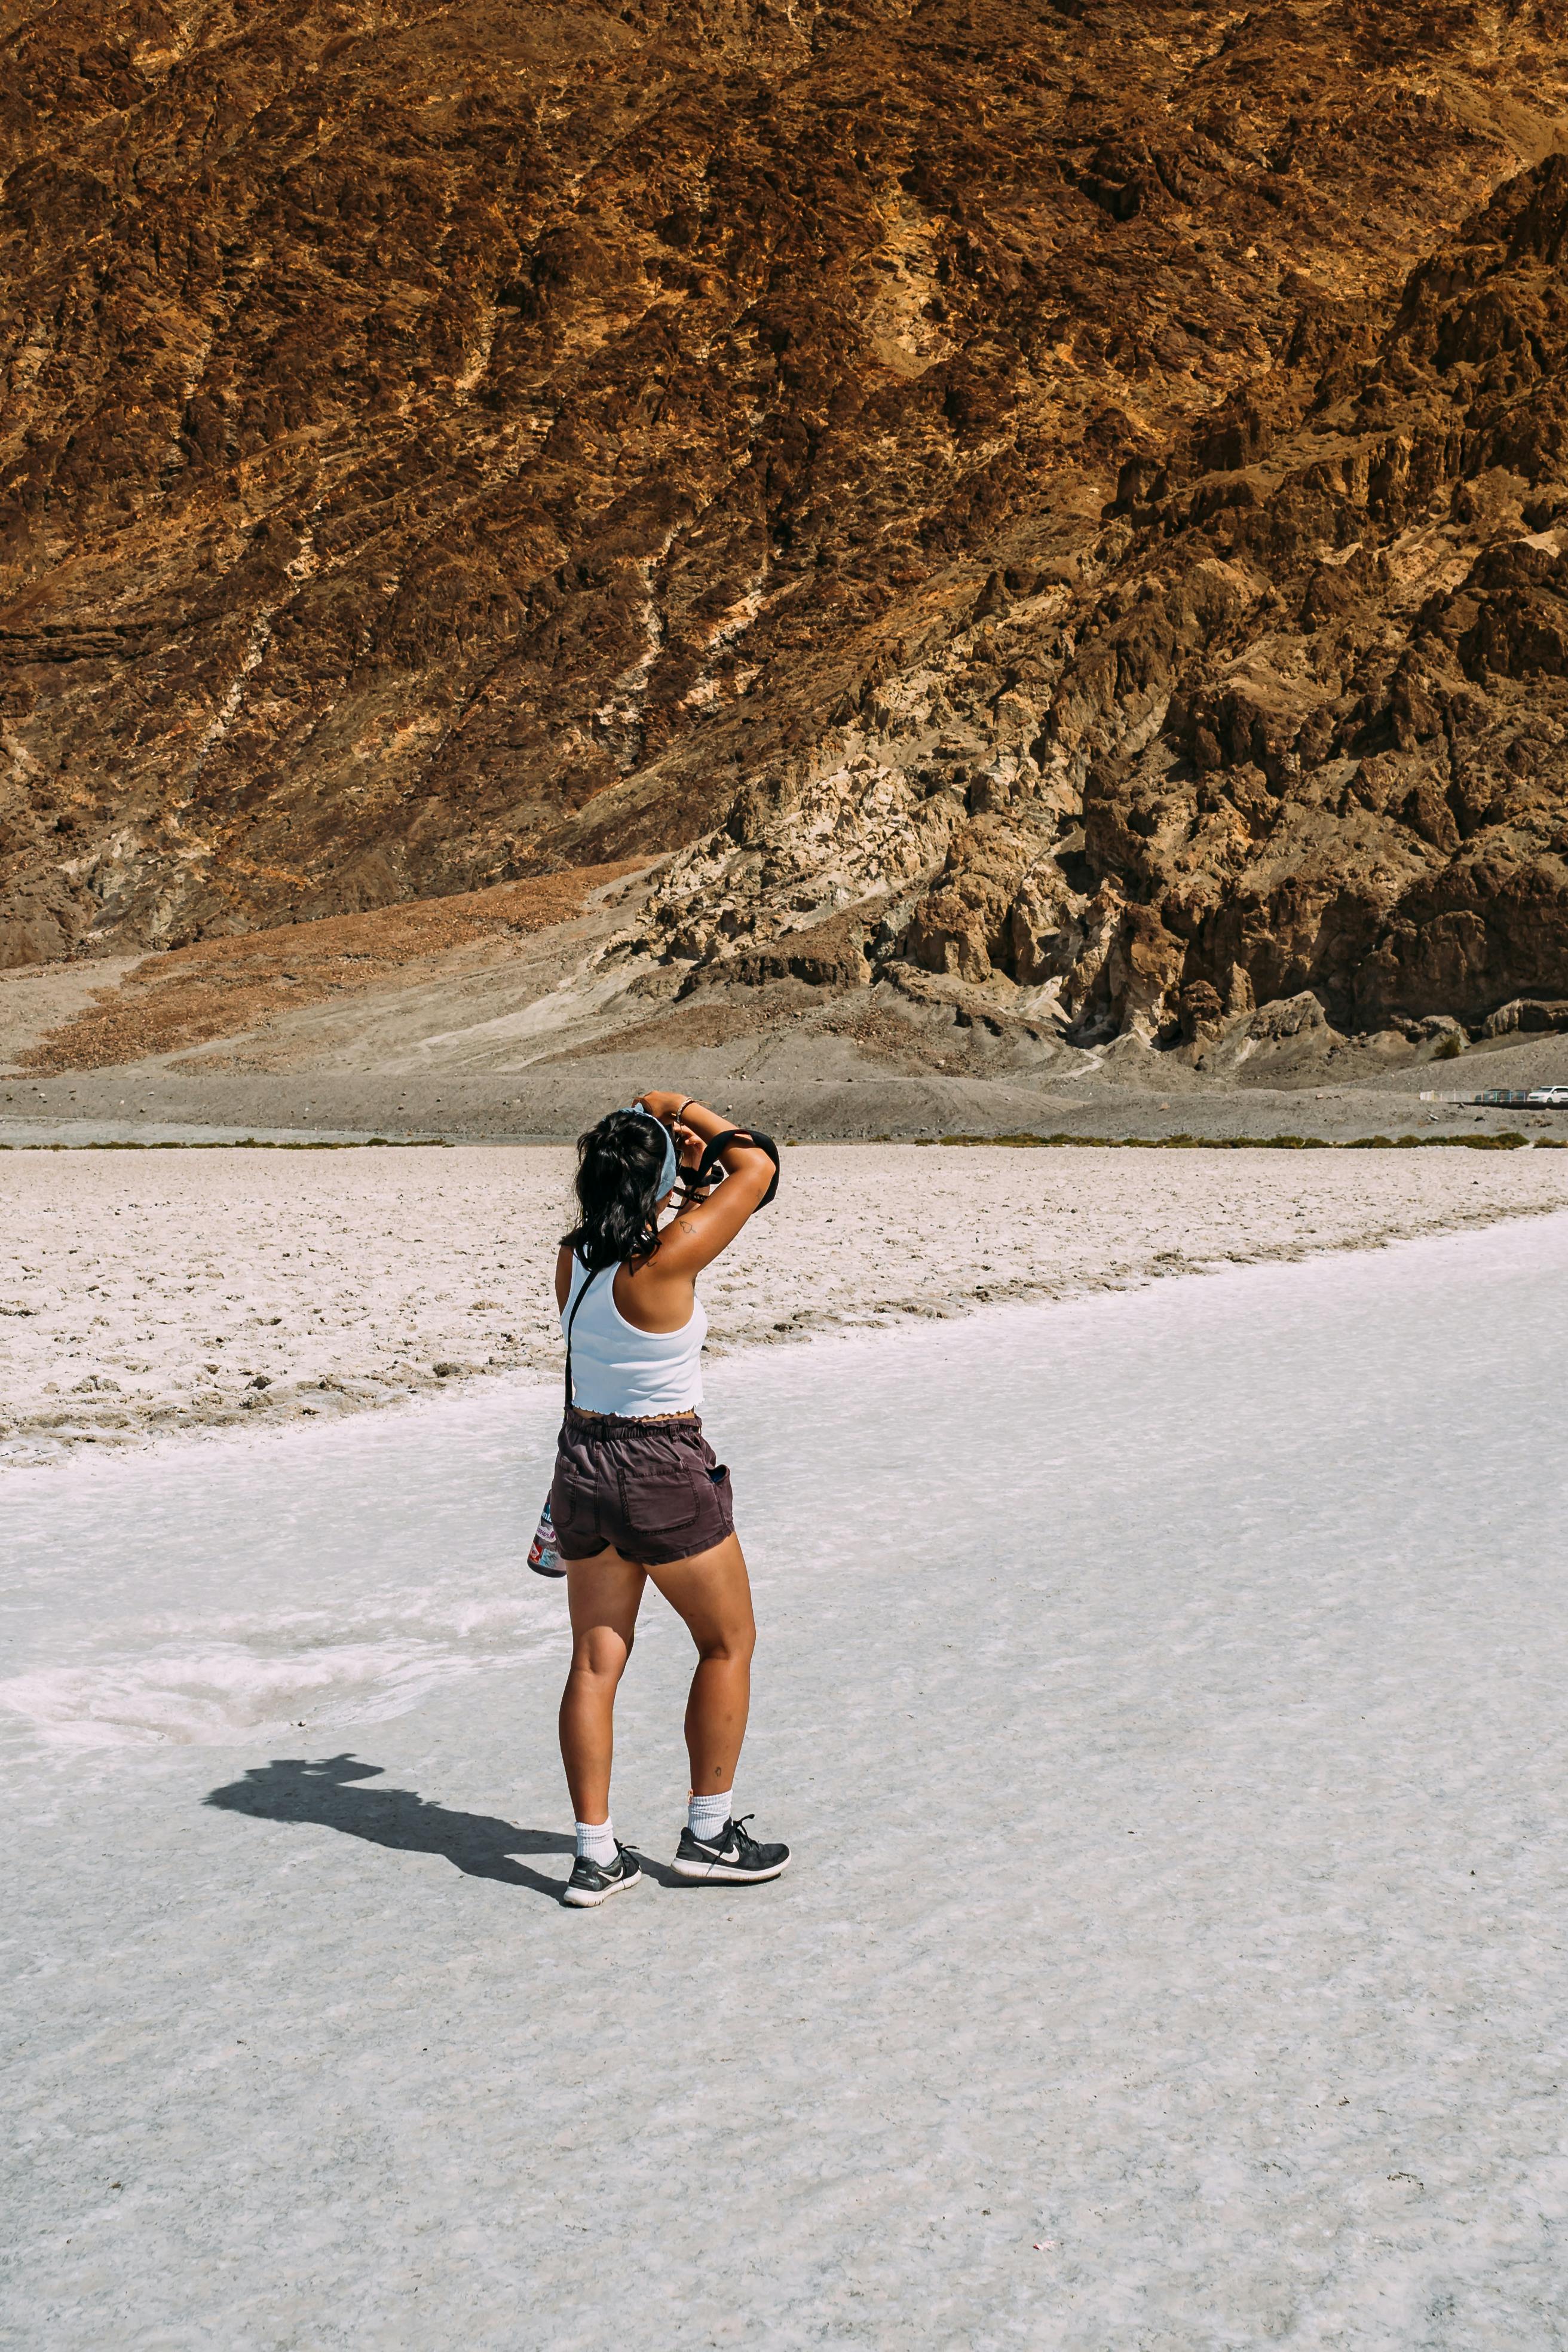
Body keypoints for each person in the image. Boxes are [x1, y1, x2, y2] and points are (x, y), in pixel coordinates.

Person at [550, 1091, 791, 1907]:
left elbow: (646, 1236)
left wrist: (677, 1180)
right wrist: (678, 1103)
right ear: (654, 1181)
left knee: (594, 1660)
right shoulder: (670, 1260)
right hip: (661, 1465)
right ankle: (709, 1834)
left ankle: (593, 1855)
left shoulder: (574, 1258)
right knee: (727, 1643)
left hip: (584, 1463)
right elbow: (759, 1165)